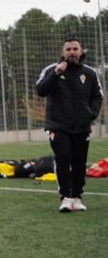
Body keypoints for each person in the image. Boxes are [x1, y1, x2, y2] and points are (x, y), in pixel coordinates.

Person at [35, 35, 104, 212]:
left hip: (82, 126)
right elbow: (41, 90)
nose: (72, 52)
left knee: (80, 162)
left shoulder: (89, 73)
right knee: (64, 158)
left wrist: (91, 114)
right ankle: (66, 197)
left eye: (75, 49)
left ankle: (77, 198)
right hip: (57, 126)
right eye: (68, 49)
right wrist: (56, 74)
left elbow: (98, 96)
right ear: (63, 52)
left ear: (81, 51)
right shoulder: (52, 69)